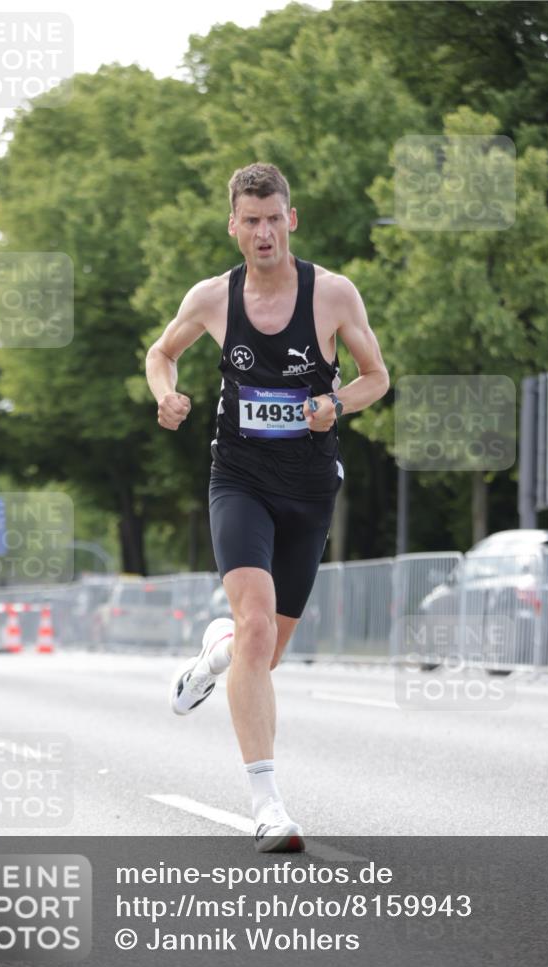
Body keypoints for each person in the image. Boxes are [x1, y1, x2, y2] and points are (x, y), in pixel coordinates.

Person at [145, 163, 389, 852]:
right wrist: (164, 393)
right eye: (249, 220)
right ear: (233, 226)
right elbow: (160, 353)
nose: (261, 232)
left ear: (291, 219)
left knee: (264, 651)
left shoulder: (333, 295)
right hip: (239, 479)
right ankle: (267, 805)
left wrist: (335, 404)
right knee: (255, 627)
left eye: (272, 218)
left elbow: (377, 377)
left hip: (309, 487)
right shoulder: (213, 298)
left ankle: (209, 658)